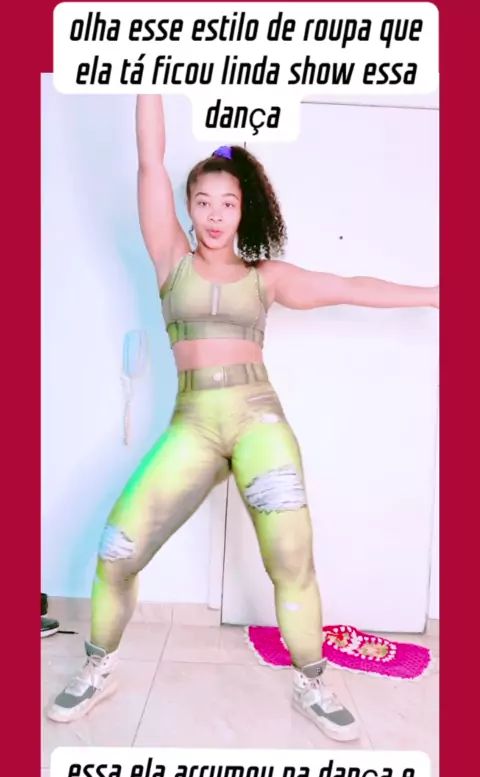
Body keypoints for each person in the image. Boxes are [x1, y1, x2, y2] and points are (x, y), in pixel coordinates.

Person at [46, 96, 438, 739]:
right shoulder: (171, 261)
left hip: (258, 421)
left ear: (243, 209)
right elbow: (149, 159)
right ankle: (99, 665)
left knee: (291, 557)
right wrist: (146, 65)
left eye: (227, 203)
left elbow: (349, 286)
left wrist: (439, 295)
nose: (214, 214)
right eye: (203, 201)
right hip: (193, 425)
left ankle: (311, 681)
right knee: (117, 550)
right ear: (187, 206)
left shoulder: (266, 278)